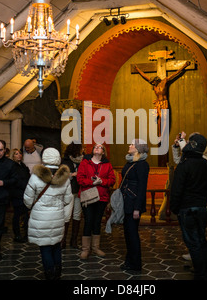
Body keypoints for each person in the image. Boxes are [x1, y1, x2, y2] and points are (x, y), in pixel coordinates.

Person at [170, 133, 207, 280]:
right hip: (202, 207)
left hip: (187, 208)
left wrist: (174, 208)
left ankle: (201, 274)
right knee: (201, 241)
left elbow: (177, 189)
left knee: (194, 244)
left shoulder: (185, 165)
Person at [24, 148, 73, 280]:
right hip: (57, 217)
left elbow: (27, 200)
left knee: (45, 248)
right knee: (56, 246)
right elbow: (68, 200)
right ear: (58, 159)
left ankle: (50, 274)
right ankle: (57, 273)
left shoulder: (35, 176)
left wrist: (32, 206)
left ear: (44, 158)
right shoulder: (65, 178)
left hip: (41, 218)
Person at [76, 143, 116, 259]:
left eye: (100, 147)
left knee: (97, 222)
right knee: (88, 221)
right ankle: (85, 249)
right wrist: (92, 182)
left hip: (102, 197)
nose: (97, 148)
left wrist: (101, 181)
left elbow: (112, 180)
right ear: (93, 150)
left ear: (103, 152)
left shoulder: (107, 164)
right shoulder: (85, 162)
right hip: (87, 197)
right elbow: (80, 179)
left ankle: (96, 247)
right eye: (96, 147)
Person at [135, 61, 191, 136]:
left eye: (153, 83)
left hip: (164, 102)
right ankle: (159, 134)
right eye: (152, 83)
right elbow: (145, 76)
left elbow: (176, 73)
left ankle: (163, 133)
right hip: (158, 103)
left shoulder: (164, 81)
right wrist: (137, 69)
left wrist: (184, 65)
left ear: (156, 80)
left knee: (163, 118)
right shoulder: (154, 85)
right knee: (159, 119)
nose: (152, 84)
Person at [119, 139, 150, 273]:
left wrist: (137, 208)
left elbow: (142, 188)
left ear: (137, 149)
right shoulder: (131, 161)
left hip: (133, 203)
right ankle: (129, 261)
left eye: (132, 144)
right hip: (126, 201)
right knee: (127, 233)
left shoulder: (142, 164)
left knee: (132, 234)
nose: (129, 146)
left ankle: (135, 265)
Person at [61, 142, 84, 249]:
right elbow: (61, 174)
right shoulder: (65, 160)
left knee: (77, 215)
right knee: (66, 215)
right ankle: (63, 240)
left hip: (79, 191)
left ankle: (73, 241)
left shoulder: (84, 160)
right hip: (68, 191)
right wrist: (72, 174)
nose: (83, 150)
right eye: (81, 148)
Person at [10, 148, 31, 243]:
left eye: (20, 153)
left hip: (25, 193)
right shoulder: (12, 166)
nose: (19, 155)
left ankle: (26, 234)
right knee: (17, 215)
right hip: (17, 194)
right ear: (13, 156)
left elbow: (28, 176)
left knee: (26, 214)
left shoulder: (23, 166)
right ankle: (17, 235)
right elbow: (15, 180)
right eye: (16, 154)